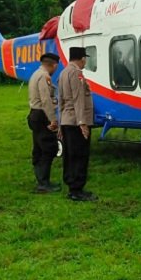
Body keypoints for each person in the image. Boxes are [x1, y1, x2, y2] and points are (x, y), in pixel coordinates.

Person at [58, 46, 97, 202]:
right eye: (85, 58)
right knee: (79, 155)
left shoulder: (63, 73)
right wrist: (83, 123)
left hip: (67, 120)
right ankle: (77, 190)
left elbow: (60, 100)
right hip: (76, 122)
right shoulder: (76, 74)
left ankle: (71, 186)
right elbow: (78, 99)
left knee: (69, 155)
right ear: (82, 59)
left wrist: (61, 123)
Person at [27, 52, 61, 193]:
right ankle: (43, 184)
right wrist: (53, 119)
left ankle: (42, 180)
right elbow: (46, 100)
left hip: (35, 114)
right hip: (42, 115)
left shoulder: (36, 74)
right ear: (52, 65)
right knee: (48, 148)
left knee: (39, 149)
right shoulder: (44, 76)